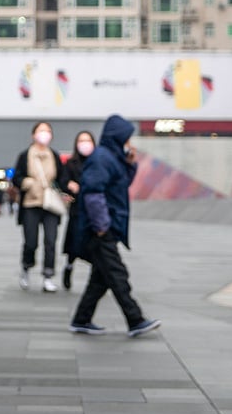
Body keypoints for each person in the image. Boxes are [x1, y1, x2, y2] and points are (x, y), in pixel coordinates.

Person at [69, 115, 161, 338]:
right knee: (118, 274)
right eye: (126, 138)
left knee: (100, 279)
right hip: (100, 230)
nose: (129, 143)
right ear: (117, 137)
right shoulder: (102, 158)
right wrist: (101, 226)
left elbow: (119, 186)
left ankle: (81, 319)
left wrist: (130, 165)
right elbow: (92, 193)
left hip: (107, 226)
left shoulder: (112, 158)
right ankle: (135, 319)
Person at [11, 122, 63, 293]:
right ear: (33, 134)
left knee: (50, 240)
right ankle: (26, 267)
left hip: (50, 205)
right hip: (30, 204)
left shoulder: (54, 155)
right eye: (41, 131)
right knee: (31, 241)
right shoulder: (25, 155)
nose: (44, 134)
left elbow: (62, 178)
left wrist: (65, 189)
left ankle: (48, 275)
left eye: (47, 131)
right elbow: (16, 177)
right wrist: (27, 183)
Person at [57, 130, 95, 291]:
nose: (84, 144)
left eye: (87, 140)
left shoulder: (98, 162)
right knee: (74, 243)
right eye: (81, 141)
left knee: (95, 245)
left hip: (94, 210)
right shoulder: (71, 163)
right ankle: (69, 267)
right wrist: (70, 186)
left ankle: (97, 275)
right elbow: (63, 181)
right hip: (77, 209)